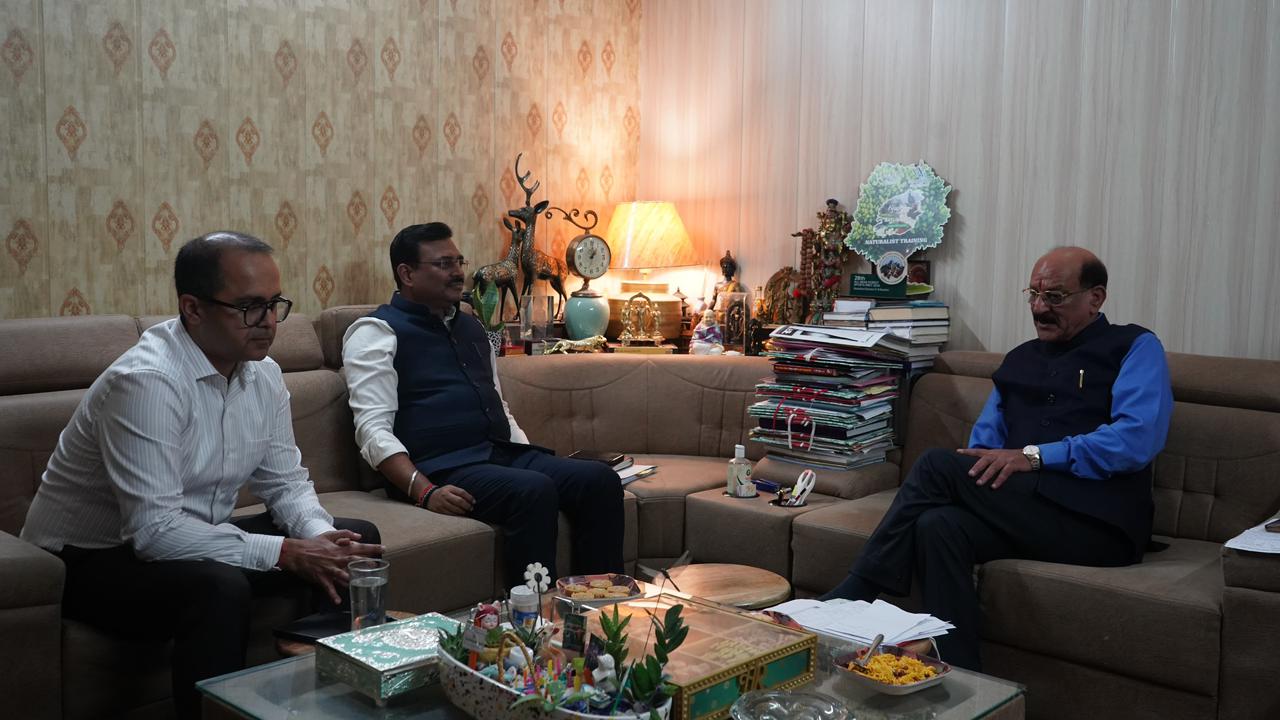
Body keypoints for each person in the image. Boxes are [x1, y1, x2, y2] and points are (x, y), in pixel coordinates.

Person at [21, 231, 384, 718]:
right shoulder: (147, 382)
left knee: (354, 541)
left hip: (188, 536)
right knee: (218, 587)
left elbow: (285, 483)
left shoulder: (263, 374)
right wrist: (287, 551)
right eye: (249, 307)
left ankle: (335, 702)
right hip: (89, 560)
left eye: (274, 304)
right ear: (192, 308)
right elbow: (154, 533)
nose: (268, 321)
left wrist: (320, 538)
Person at [821, 247, 1173, 671]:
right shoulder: (1020, 359)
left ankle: (858, 590)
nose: (1039, 308)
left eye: (1055, 297)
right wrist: (981, 473)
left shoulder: (1134, 346)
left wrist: (1035, 456)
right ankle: (961, 675)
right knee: (938, 525)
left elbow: (1136, 439)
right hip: (1031, 512)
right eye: (1034, 295)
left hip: (1100, 523)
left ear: (1095, 297)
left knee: (934, 465)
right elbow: (984, 446)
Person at [342, 222, 623, 588]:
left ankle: (600, 604)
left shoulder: (472, 327)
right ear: (407, 274)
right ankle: (533, 615)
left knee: (599, 479)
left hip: (498, 455)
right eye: (443, 264)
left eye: (459, 261)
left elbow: (498, 405)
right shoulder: (376, 332)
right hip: (440, 469)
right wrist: (424, 491)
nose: (458, 272)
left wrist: (526, 455)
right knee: (533, 489)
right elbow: (372, 431)